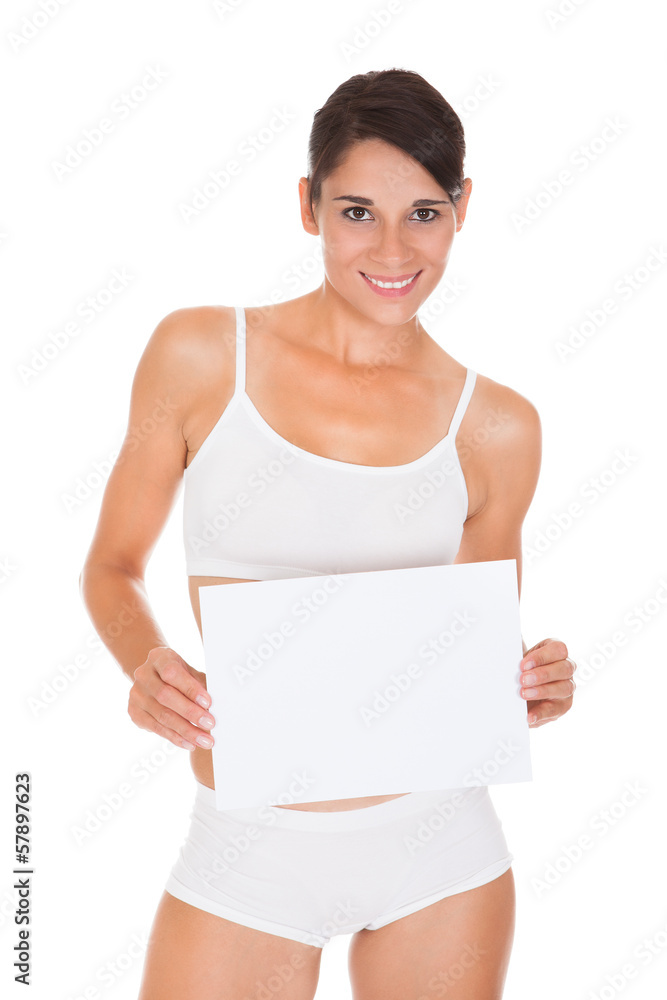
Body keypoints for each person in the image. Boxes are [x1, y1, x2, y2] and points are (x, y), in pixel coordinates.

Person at [79, 68, 576, 1000]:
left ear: (462, 209)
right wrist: (146, 665)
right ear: (306, 205)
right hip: (249, 849)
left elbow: (472, 653)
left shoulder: (498, 427)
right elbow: (110, 566)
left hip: (440, 855)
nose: (391, 249)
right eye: (356, 212)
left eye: (423, 214)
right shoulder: (199, 356)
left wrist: (531, 684)